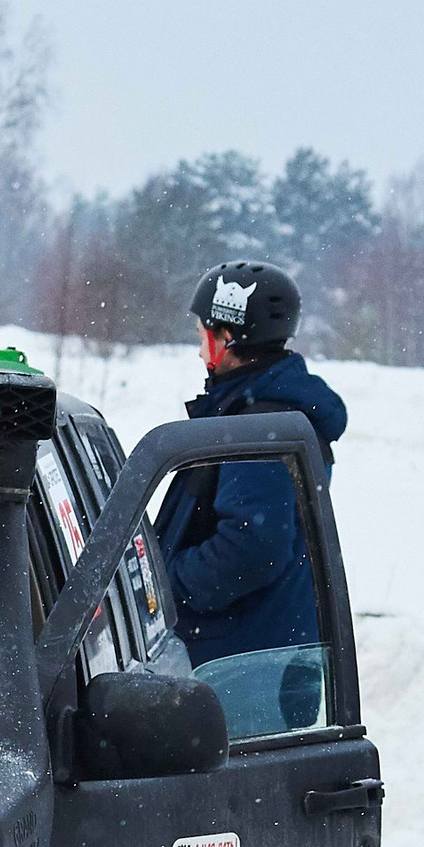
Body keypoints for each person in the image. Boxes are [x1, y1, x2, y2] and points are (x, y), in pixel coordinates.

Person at [153, 260, 347, 678]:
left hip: (243, 666)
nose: (200, 350)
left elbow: (252, 547)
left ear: (226, 338)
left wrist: (165, 583)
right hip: (262, 653)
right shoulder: (268, 411)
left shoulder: (260, 428)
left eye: (203, 335)